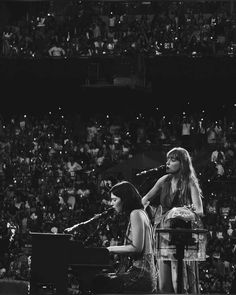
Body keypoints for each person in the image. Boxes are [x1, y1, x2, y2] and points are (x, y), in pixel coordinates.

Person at [142, 147, 204, 294]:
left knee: (180, 282)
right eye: (167, 159)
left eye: (173, 159)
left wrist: (180, 211)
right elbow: (144, 200)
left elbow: (200, 210)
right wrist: (145, 216)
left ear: (182, 163)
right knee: (163, 284)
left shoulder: (190, 182)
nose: (168, 162)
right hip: (163, 233)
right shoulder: (163, 180)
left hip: (182, 234)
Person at [92, 180, 158, 293]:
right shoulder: (140, 212)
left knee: (99, 283)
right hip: (144, 274)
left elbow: (136, 248)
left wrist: (109, 249)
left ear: (125, 199)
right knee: (101, 280)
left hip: (140, 276)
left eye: (114, 200)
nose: (112, 203)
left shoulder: (135, 214)